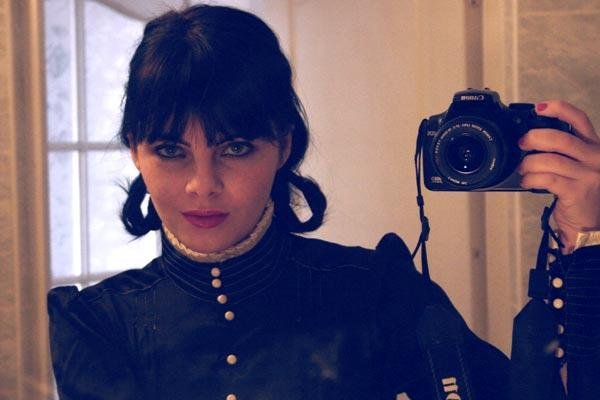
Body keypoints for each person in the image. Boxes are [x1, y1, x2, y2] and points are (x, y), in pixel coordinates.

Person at [47, 4, 600, 400]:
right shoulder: (97, 327)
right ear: (135, 151)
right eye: (171, 151)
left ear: (283, 146)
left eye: (235, 148)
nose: (202, 184)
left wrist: (584, 239)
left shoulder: (380, 289)